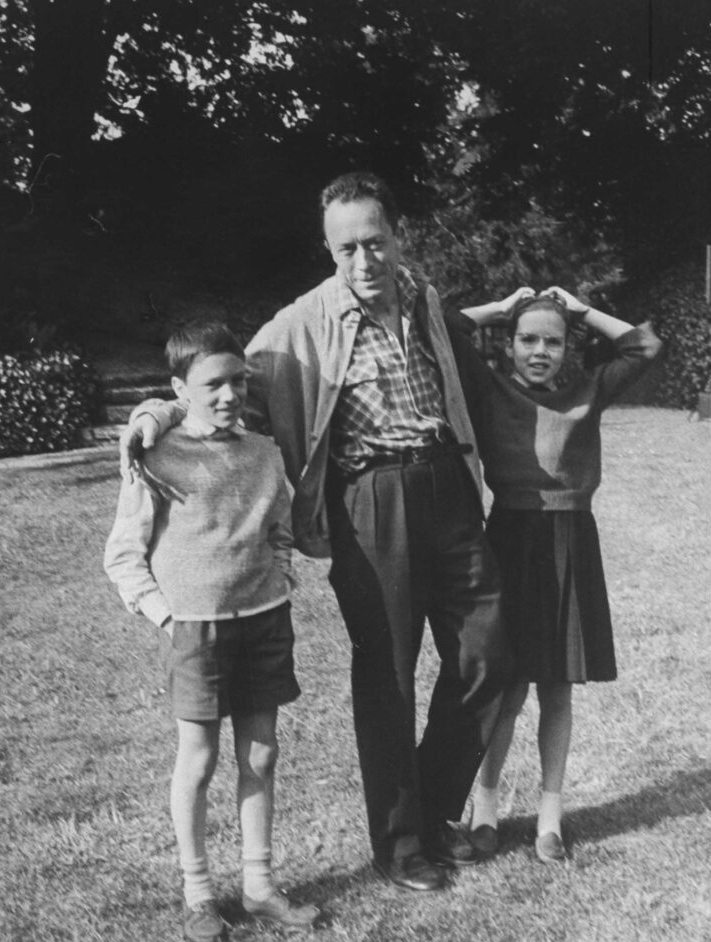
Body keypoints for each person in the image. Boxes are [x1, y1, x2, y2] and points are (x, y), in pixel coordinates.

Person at [120, 172, 509, 893]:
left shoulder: (423, 300)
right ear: (329, 251)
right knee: (387, 673)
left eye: (375, 242)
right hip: (369, 501)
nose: (364, 261)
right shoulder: (300, 325)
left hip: (449, 489)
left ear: (398, 237)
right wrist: (156, 411)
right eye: (346, 249)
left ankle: (430, 810)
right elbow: (218, 379)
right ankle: (401, 844)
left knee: (491, 651)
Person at [104, 320, 318, 942]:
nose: (229, 395)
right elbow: (124, 554)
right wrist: (168, 617)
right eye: (212, 385)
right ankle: (198, 891)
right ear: (180, 390)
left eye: (237, 381)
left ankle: (259, 886)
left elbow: (280, 530)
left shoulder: (264, 453)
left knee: (261, 754)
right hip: (195, 631)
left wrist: (279, 577)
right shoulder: (154, 453)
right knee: (198, 760)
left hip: (264, 620)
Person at [451, 286, 662, 863]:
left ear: (570, 347)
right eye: (527, 340)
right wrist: (499, 309)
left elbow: (643, 347)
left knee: (557, 688)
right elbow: (443, 327)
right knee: (506, 687)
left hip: (571, 542)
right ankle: (485, 811)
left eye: (553, 341)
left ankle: (550, 818)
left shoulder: (588, 389)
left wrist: (581, 309)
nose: (539, 351)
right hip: (510, 540)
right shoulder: (490, 387)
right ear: (509, 345)